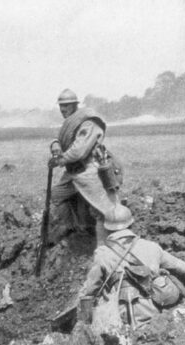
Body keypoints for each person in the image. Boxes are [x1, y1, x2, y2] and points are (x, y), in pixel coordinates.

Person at [77, 204, 185, 329]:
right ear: (131, 225)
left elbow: (89, 291)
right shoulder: (151, 247)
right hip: (153, 314)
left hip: (118, 318)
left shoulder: (102, 254)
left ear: (107, 229)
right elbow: (182, 268)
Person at [48, 88, 120, 247]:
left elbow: (78, 151)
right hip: (73, 172)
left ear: (75, 105)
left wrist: (61, 159)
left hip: (91, 170)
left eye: (66, 105)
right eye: (61, 105)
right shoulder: (72, 123)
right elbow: (63, 137)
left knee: (100, 209)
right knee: (56, 195)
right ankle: (72, 228)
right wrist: (55, 144)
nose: (63, 109)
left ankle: (105, 243)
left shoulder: (89, 122)